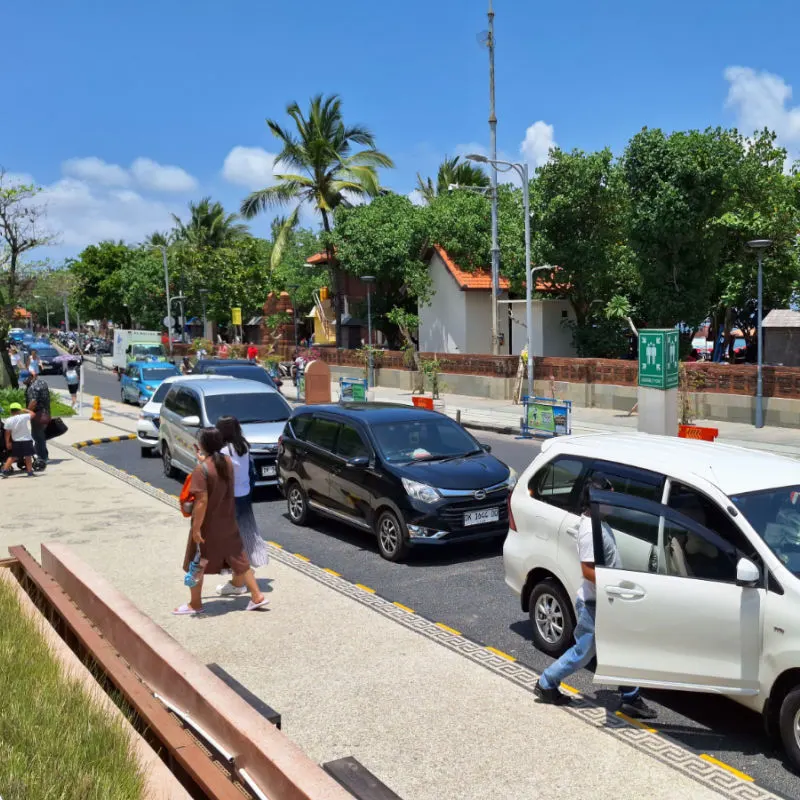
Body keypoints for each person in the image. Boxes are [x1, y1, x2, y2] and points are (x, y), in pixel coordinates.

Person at [534, 474, 656, 720]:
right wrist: (615, 586)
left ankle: (630, 697)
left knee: (620, 647)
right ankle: (547, 682)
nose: (613, 502)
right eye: (609, 497)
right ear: (597, 500)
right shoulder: (590, 531)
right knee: (584, 652)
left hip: (605, 601)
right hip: (595, 604)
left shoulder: (598, 522)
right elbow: (587, 570)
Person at [174, 428, 268, 615]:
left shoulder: (201, 470)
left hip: (209, 524)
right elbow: (215, 470)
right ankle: (257, 596)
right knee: (239, 558)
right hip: (228, 520)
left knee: (197, 561)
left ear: (203, 444)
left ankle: (195, 604)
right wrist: (203, 460)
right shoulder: (227, 462)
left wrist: (196, 528)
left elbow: (201, 502)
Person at [215, 416, 269, 597]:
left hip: (230, 499)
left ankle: (240, 580)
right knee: (243, 536)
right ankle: (239, 579)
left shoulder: (224, 451)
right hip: (244, 496)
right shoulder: (243, 447)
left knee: (231, 542)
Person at [2, 403, 37, 478]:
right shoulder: (23, 416)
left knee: (13, 456)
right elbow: (33, 414)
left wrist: (7, 442)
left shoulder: (8, 420)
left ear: (11, 411)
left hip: (16, 441)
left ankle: (4, 471)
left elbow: (7, 432)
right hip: (26, 440)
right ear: (19, 410)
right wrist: (25, 410)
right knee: (28, 456)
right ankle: (30, 472)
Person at [24, 370, 51, 465]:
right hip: (46, 413)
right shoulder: (42, 383)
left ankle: (42, 457)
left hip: (38, 415)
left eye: (24, 379)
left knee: (37, 436)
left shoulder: (32, 387)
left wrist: (26, 412)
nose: (23, 382)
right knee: (41, 436)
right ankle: (44, 454)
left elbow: (33, 402)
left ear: (30, 377)